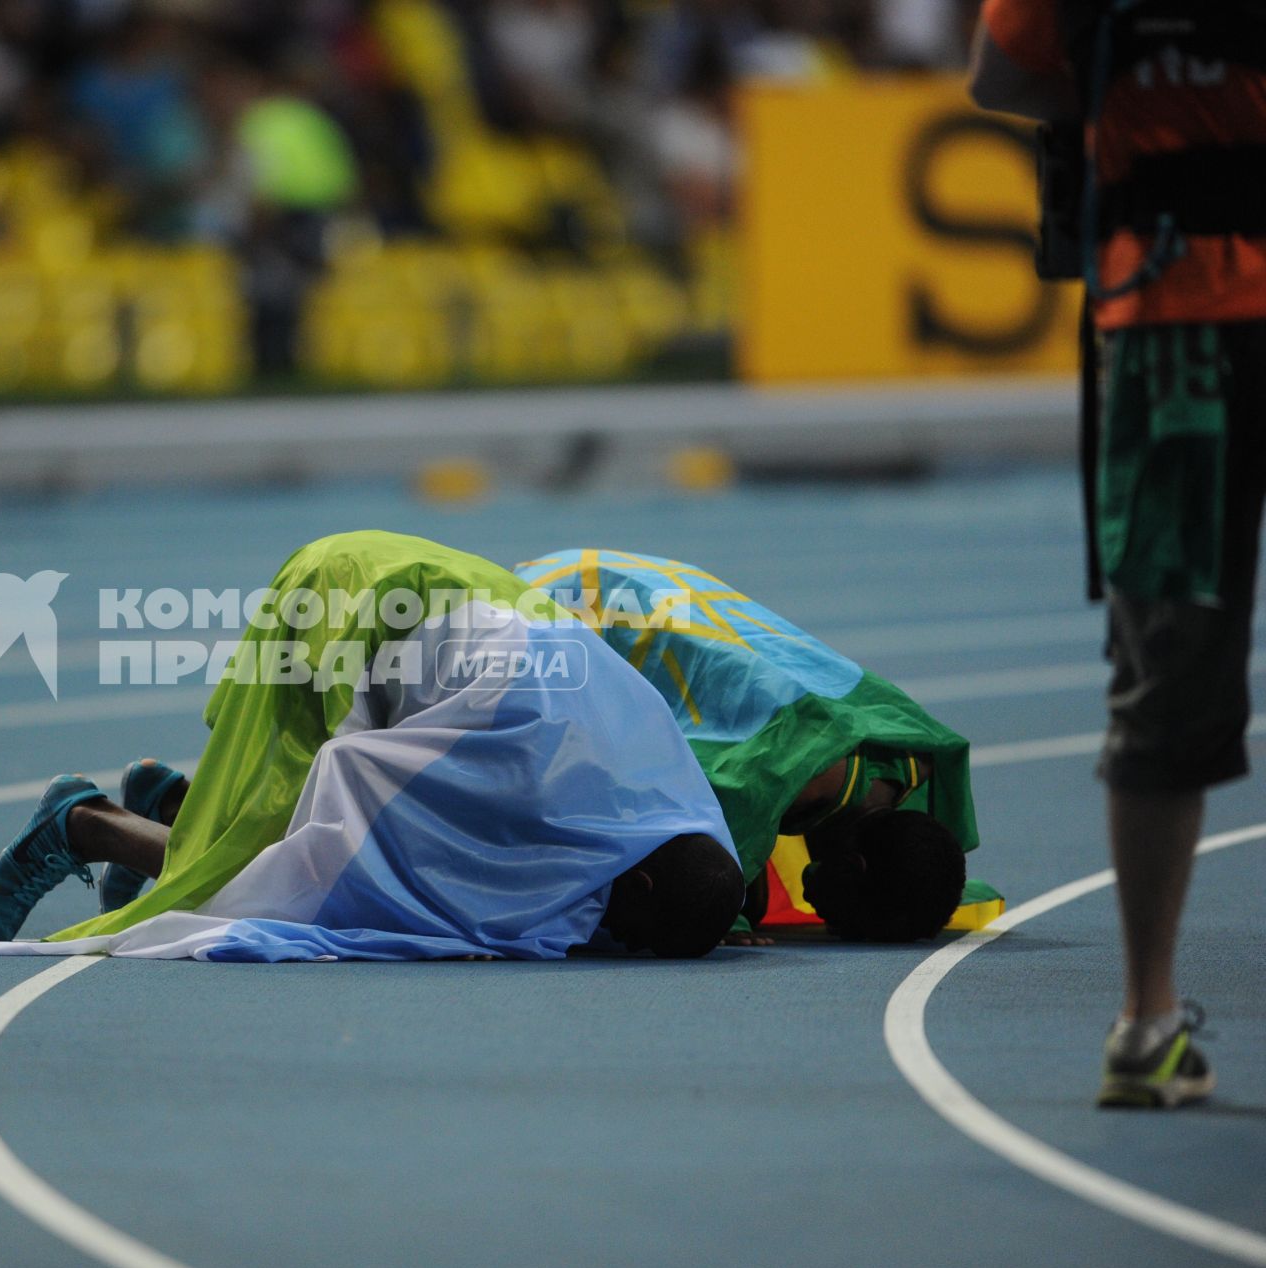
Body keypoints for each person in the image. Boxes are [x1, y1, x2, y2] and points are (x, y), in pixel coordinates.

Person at [0, 531, 743, 963]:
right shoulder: (531, 759)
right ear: (636, 874)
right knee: (301, 880)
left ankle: (176, 804)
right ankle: (85, 821)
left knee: (380, 843)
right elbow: (350, 771)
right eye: (628, 925)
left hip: (437, 590)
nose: (611, 935)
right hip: (352, 604)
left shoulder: (644, 787)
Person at [970, 0, 1265, 1109]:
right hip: (1175, 310)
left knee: (1166, 669)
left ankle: (1146, 1017)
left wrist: (1132, 94)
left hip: (1165, 327)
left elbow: (998, 74)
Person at [514, 548, 989, 945]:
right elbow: (685, 842)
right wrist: (725, 916)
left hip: (649, 583)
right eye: (842, 919)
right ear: (857, 865)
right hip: (571, 602)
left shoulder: (918, 761)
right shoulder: (791, 772)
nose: (827, 918)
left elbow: (931, 854)